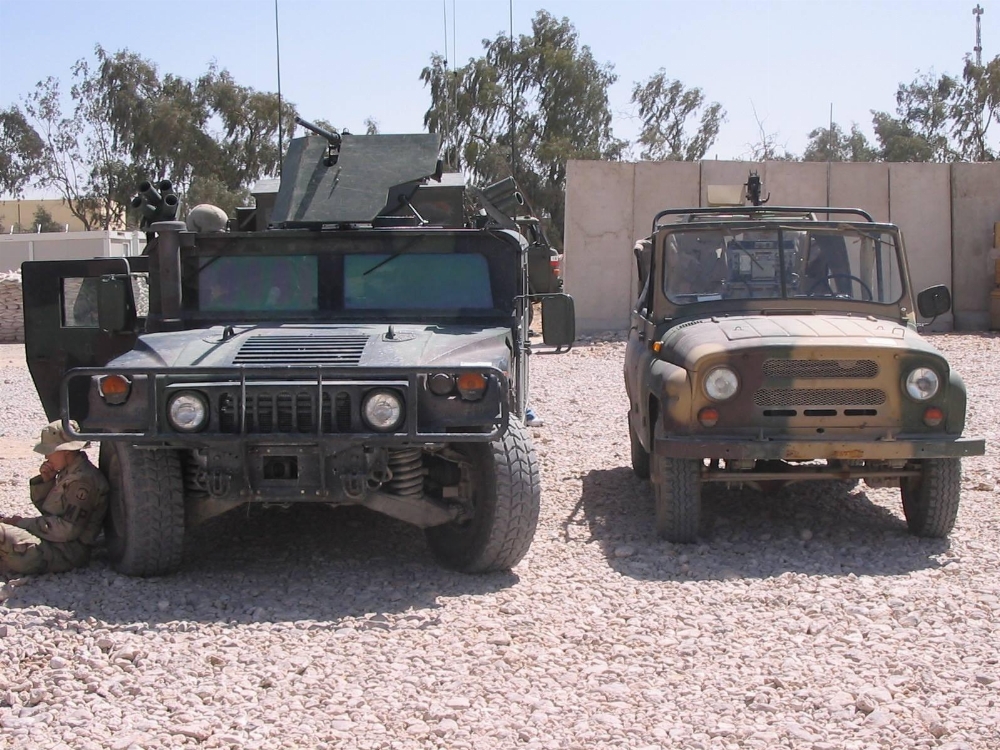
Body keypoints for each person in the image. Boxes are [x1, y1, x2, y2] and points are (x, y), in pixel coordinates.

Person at [0, 421, 109, 576]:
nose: (46, 456)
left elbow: (67, 530)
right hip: (55, 544)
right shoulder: (69, 473)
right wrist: (47, 482)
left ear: (66, 451)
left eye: (50, 451)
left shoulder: (83, 481)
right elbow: (50, 513)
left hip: (64, 553)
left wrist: (22, 523)